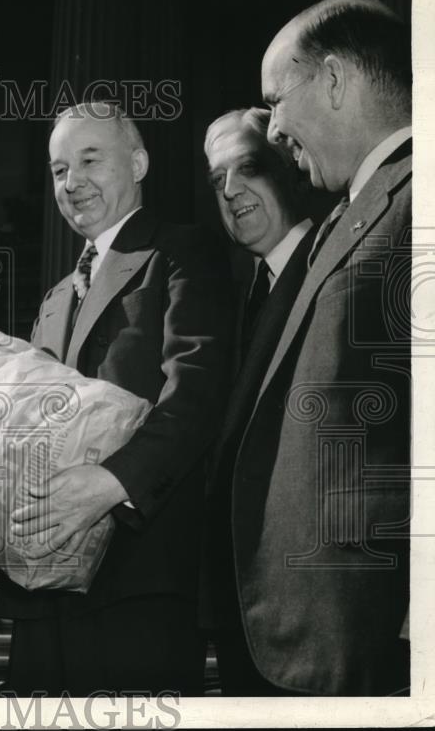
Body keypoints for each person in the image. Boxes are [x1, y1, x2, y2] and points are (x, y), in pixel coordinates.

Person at [0, 101, 234, 696]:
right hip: (43, 586)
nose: (71, 182)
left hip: (138, 580)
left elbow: (199, 392)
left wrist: (111, 483)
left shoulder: (182, 253)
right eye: (57, 170)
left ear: (139, 162)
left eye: (89, 159)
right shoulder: (51, 300)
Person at [228, 0, 412, 696]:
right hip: (308, 641)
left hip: (368, 650)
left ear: (335, 79)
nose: (271, 129)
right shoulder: (350, 213)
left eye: (276, 99)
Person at [199, 107, 315, 695]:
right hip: (249, 615)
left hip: (311, 622)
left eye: (247, 167)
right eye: (216, 179)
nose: (230, 190)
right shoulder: (248, 292)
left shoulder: (331, 265)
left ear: (289, 168)